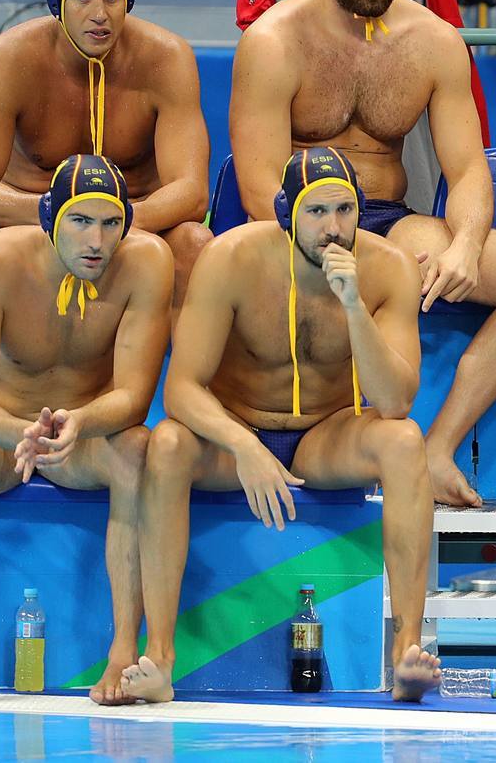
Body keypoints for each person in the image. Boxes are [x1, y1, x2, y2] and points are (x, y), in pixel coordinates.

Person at [229, 0, 496, 508]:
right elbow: (260, 189)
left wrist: (465, 243)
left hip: (389, 220)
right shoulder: (276, 41)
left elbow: (465, 171)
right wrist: (332, 253)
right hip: (295, 226)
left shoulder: (433, 40)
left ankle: (436, 449)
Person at [121, 148, 440, 704]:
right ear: (286, 211)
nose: (333, 229)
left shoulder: (386, 268)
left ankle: (406, 653)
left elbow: (394, 402)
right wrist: (244, 445)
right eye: (317, 212)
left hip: (325, 436)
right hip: (234, 434)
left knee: (405, 442)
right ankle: (162, 659)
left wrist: (354, 305)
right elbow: (182, 389)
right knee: (167, 444)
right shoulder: (231, 259)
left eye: (345, 211)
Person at [0, 156, 172, 713]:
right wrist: (19, 432)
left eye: (111, 223)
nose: (97, 241)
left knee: (138, 449)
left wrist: (81, 421)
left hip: (81, 438)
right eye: (81, 221)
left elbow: (133, 398)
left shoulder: (148, 262)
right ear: (50, 217)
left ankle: (122, 652)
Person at [0, 0, 210, 410]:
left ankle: (191, 421)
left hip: (129, 228)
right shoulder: (11, 58)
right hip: (33, 225)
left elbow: (190, 193)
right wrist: (59, 217)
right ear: (56, 3)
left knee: (192, 242)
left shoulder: (166, 59)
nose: (99, 14)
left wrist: (108, 223)